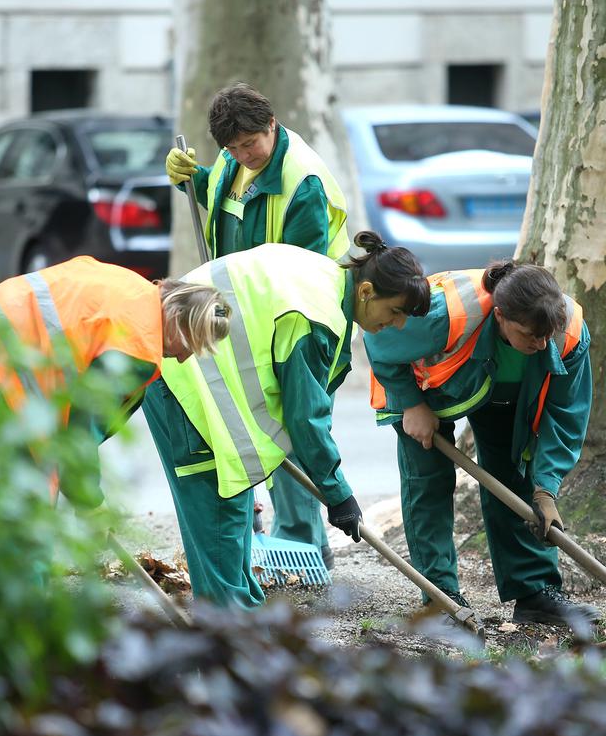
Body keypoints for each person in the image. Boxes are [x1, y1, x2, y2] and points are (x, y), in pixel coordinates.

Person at [143, 231, 431, 609]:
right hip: (184, 379)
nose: (396, 325)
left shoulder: (324, 281)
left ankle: (241, 625)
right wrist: (338, 494)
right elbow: (305, 417)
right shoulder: (317, 317)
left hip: (190, 372)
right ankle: (229, 643)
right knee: (219, 524)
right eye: (394, 311)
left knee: (230, 520)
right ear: (365, 292)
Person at [164, 81, 350, 566]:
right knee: (244, 421)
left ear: (272, 124)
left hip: (294, 320)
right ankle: (264, 532)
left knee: (291, 423)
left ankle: (306, 542)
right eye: (231, 149)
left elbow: (300, 272)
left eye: (250, 144)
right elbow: (236, 211)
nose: (243, 155)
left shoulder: (302, 182)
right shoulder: (234, 161)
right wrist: (199, 179)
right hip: (243, 314)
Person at [364, 260, 599, 629]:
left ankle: (535, 592)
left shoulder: (566, 332)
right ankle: (441, 599)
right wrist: (410, 403)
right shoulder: (443, 316)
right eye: (529, 336)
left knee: (514, 477)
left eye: (545, 337)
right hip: (426, 387)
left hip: (504, 390)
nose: (540, 346)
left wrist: (546, 489)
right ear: (501, 316)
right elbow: (379, 338)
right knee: (429, 484)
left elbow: (566, 415)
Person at [0, 256, 230, 508]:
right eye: (190, 344)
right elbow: (78, 435)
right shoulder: (137, 345)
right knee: (23, 526)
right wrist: (91, 504)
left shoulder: (129, 286)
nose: (182, 358)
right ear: (178, 318)